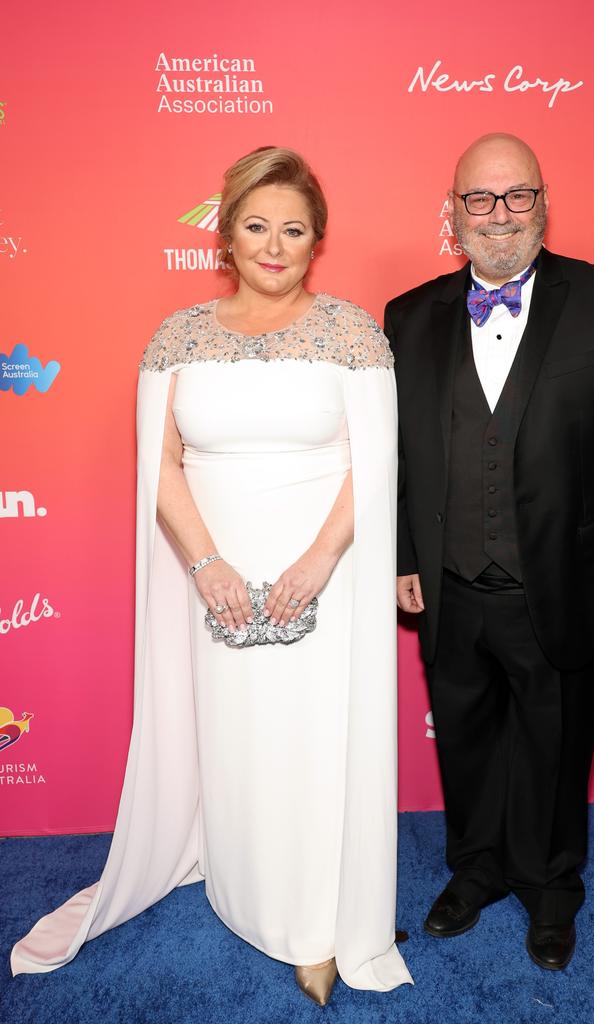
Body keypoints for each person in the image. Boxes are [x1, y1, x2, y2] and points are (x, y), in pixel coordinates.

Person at [11, 147, 412, 1004]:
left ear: (317, 241)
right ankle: (241, 884)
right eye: (257, 226)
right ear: (225, 235)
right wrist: (204, 562)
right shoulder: (177, 336)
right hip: (219, 580)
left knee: (313, 741)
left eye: (294, 230)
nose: (275, 245)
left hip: (322, 579)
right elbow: (160, 464)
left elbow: (375, 465)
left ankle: (315, 924)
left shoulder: (351, 332)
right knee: (239, 738)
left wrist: (318, 559)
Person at [385, 133, 594, 971]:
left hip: (568, 579)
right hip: (449, 583)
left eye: (516, 197)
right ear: (454, 212)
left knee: (555, 744)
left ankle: (551, 887)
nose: (499, 215)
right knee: (467, 737)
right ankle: (475, 869)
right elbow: (399, 456)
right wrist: (402, 555)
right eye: (480, 199)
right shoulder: (409, 317)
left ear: (544, 203)